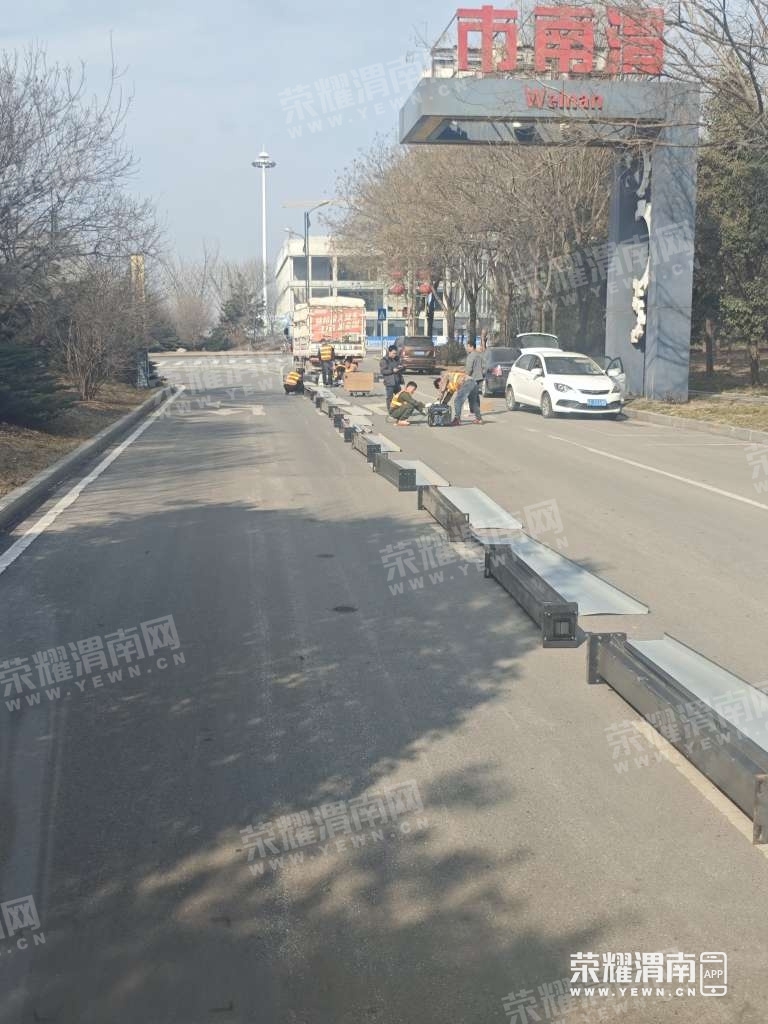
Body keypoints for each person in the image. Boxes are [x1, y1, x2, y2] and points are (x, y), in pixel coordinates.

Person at [464, 338, 486, 423]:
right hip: (480, 378)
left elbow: (469, 369)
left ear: (471, 346)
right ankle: (475, 414)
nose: (467, 348)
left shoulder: (471, 356)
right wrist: (482, 374)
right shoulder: (479, 355)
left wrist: (466, 377)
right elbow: (484, 366)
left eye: (467, 346)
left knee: (473, 398)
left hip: (472, 379)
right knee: (476, 397)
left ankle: (478, 417)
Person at [380, 344, 405, 412]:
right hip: (389, 382)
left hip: (397, 382)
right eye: (393, 353)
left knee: (400, 397)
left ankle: (399, 409)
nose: (395, 355)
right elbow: (383, 371)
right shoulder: (384, 360)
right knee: (390, 398)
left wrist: (402, 368)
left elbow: (401, 369)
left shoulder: (397, 359)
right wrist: (392, 370)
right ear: (389, 352)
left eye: (395, 353)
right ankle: (390, 410)